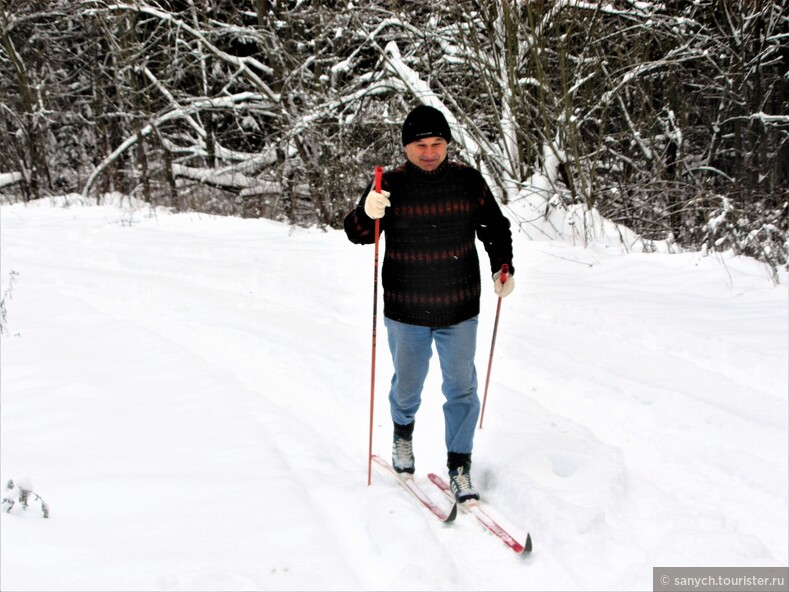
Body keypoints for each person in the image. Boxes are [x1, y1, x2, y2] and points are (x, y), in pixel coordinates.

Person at [344, 105, 514, 503]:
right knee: (407, 388)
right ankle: (402, 437)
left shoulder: (468, 181)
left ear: (447, 144)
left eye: (437, 143)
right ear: (407, 147)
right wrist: (366, 211)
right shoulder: (389, 185)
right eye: (420, 145)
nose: (429, 152)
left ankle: (459, 464)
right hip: (406, 309)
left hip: (459, 307)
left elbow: (495, 227)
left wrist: (502, 267)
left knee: (462, 390)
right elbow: (357, 234)